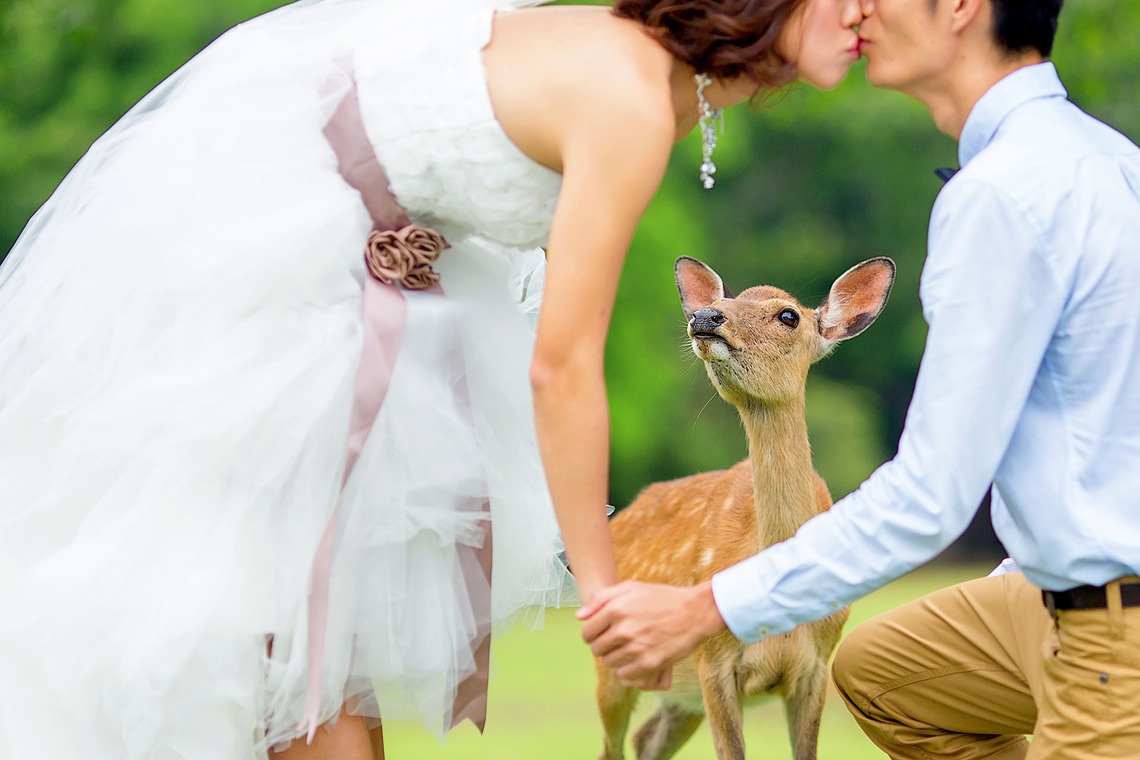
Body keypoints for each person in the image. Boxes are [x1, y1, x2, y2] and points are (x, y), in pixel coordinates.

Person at [0, 0, 866, 758]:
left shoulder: (645, 76)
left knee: (319, 655)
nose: (869, 11)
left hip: (382, 296)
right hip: (284, 295)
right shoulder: (629, 100)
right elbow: (562, 365)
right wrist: (605, 596)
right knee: (285, 642)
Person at [579, 0, 1140, 756]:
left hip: (1109, 628)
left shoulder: (1002, 193)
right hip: (1049, 588)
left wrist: (709, 606)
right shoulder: (1100, 157)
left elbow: (929, 495)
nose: (859, 8)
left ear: (965, 8)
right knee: (880, 671)